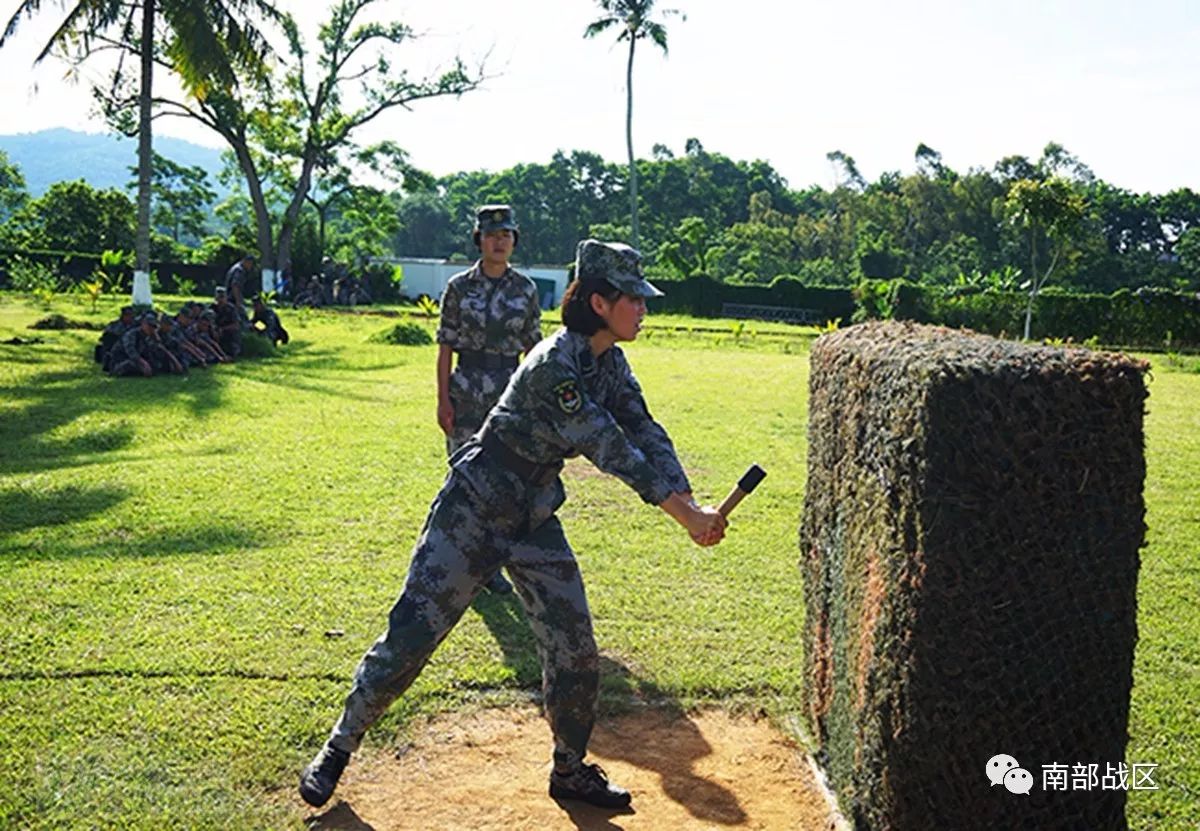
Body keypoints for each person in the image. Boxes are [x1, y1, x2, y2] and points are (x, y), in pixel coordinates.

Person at [299, 239, 727, 812]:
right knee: (411, 638)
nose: (643, 309)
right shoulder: (556, 366)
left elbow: (644, 431)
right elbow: (610, 449)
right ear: (600, 303)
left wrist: (690, 501)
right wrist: (684, 517)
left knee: (574, 649)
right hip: (473, 508)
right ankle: (338, 747)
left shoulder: (610, 364)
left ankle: (570, 770)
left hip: (533, 516)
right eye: (634, 299)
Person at [436, 204, 543, 594]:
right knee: (461, 477)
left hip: (509, 394)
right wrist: (443, 399)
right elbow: (445, 346)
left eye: (506, 235)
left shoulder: (525, 290)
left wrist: (535, 403)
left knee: (503, 480)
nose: (499, 241)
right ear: (478, 239)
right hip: (465, 390)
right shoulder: (458, 288)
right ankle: (450, 559)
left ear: (514, 241)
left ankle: (490, 565)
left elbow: (534, 350)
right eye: (492, 235)